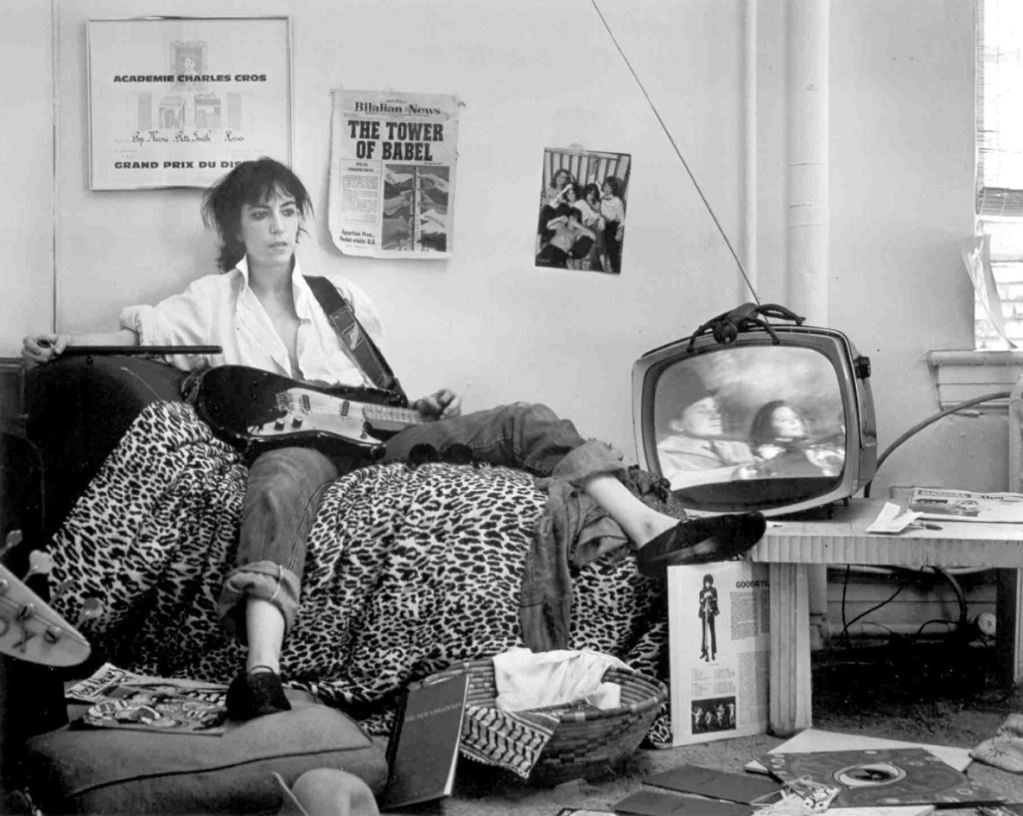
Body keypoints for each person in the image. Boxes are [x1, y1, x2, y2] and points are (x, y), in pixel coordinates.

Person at [23, 157, 766, 721]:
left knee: (524, 418)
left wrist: (423, 407)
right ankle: (261, 671)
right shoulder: (207, 304)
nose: (278, 227)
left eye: (288, 211)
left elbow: (375, 393)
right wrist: (61, 341)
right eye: (260, 214)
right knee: (276, 485)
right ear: (234, 228)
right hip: (299, 446)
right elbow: (138, 338)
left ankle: (649, 528)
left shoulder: (339, 299)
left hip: (378, 434)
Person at [656, 370, 754, 489]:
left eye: (714, 409)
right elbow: (672, 481)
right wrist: (738, 472)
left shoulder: (738, 447)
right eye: (702, 411)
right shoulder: (662, 454)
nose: (715, 415)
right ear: (678, 425)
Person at [742, 400, 841, 479]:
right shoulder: (766, 461)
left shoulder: (821, 450)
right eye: (783, 420)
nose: (793, 422)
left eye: (796, 418)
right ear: (768, 427)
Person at [535, 199, 596, 269]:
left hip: (562, 254)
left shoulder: (578, 231)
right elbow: (548, 225)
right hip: (550, 249)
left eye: (575, 217)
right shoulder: (561, 225)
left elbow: (593, 236)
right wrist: (559, 218)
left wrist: (578, 225)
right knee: (539, 264)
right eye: (571, 216)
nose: (572, 219)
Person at [599, 176, 626, 274]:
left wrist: (620, 231)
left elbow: (622, 220)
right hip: (602, 222)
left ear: (613, 189)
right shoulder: (600, 197)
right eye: (605, 186)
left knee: (611, 242)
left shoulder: (617, 201)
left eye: (609, 187)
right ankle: (602, 264)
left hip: (613, 224)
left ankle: (614, 268)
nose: (606, 189)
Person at [698, 573, 718, 662]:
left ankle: (713, 652)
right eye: (706, 582)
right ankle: (704, 651)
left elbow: (716, 599)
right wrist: (704, 598)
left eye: (709, 582)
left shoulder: (714, 590)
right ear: (704, 583)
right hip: (704, 613)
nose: (708, 584)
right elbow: (700, 601)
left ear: (711, 582)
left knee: (712, 632)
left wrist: (711, 596)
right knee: (704, 633)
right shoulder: (701, 592)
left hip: (711, 612)